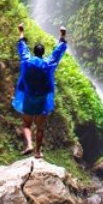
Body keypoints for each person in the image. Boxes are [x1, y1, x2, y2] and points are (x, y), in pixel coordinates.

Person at [13, 23, 67, 159]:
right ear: (43, 53)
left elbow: (22, 48)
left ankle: (29, 144)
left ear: (34, 52)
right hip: (42, 98)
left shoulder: (27, 61)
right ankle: (37, 152)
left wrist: (21, 32)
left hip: (28, 97)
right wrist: (62, 36)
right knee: (40, 127)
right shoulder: (48, 65)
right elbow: (57, 53)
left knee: (26, 124)